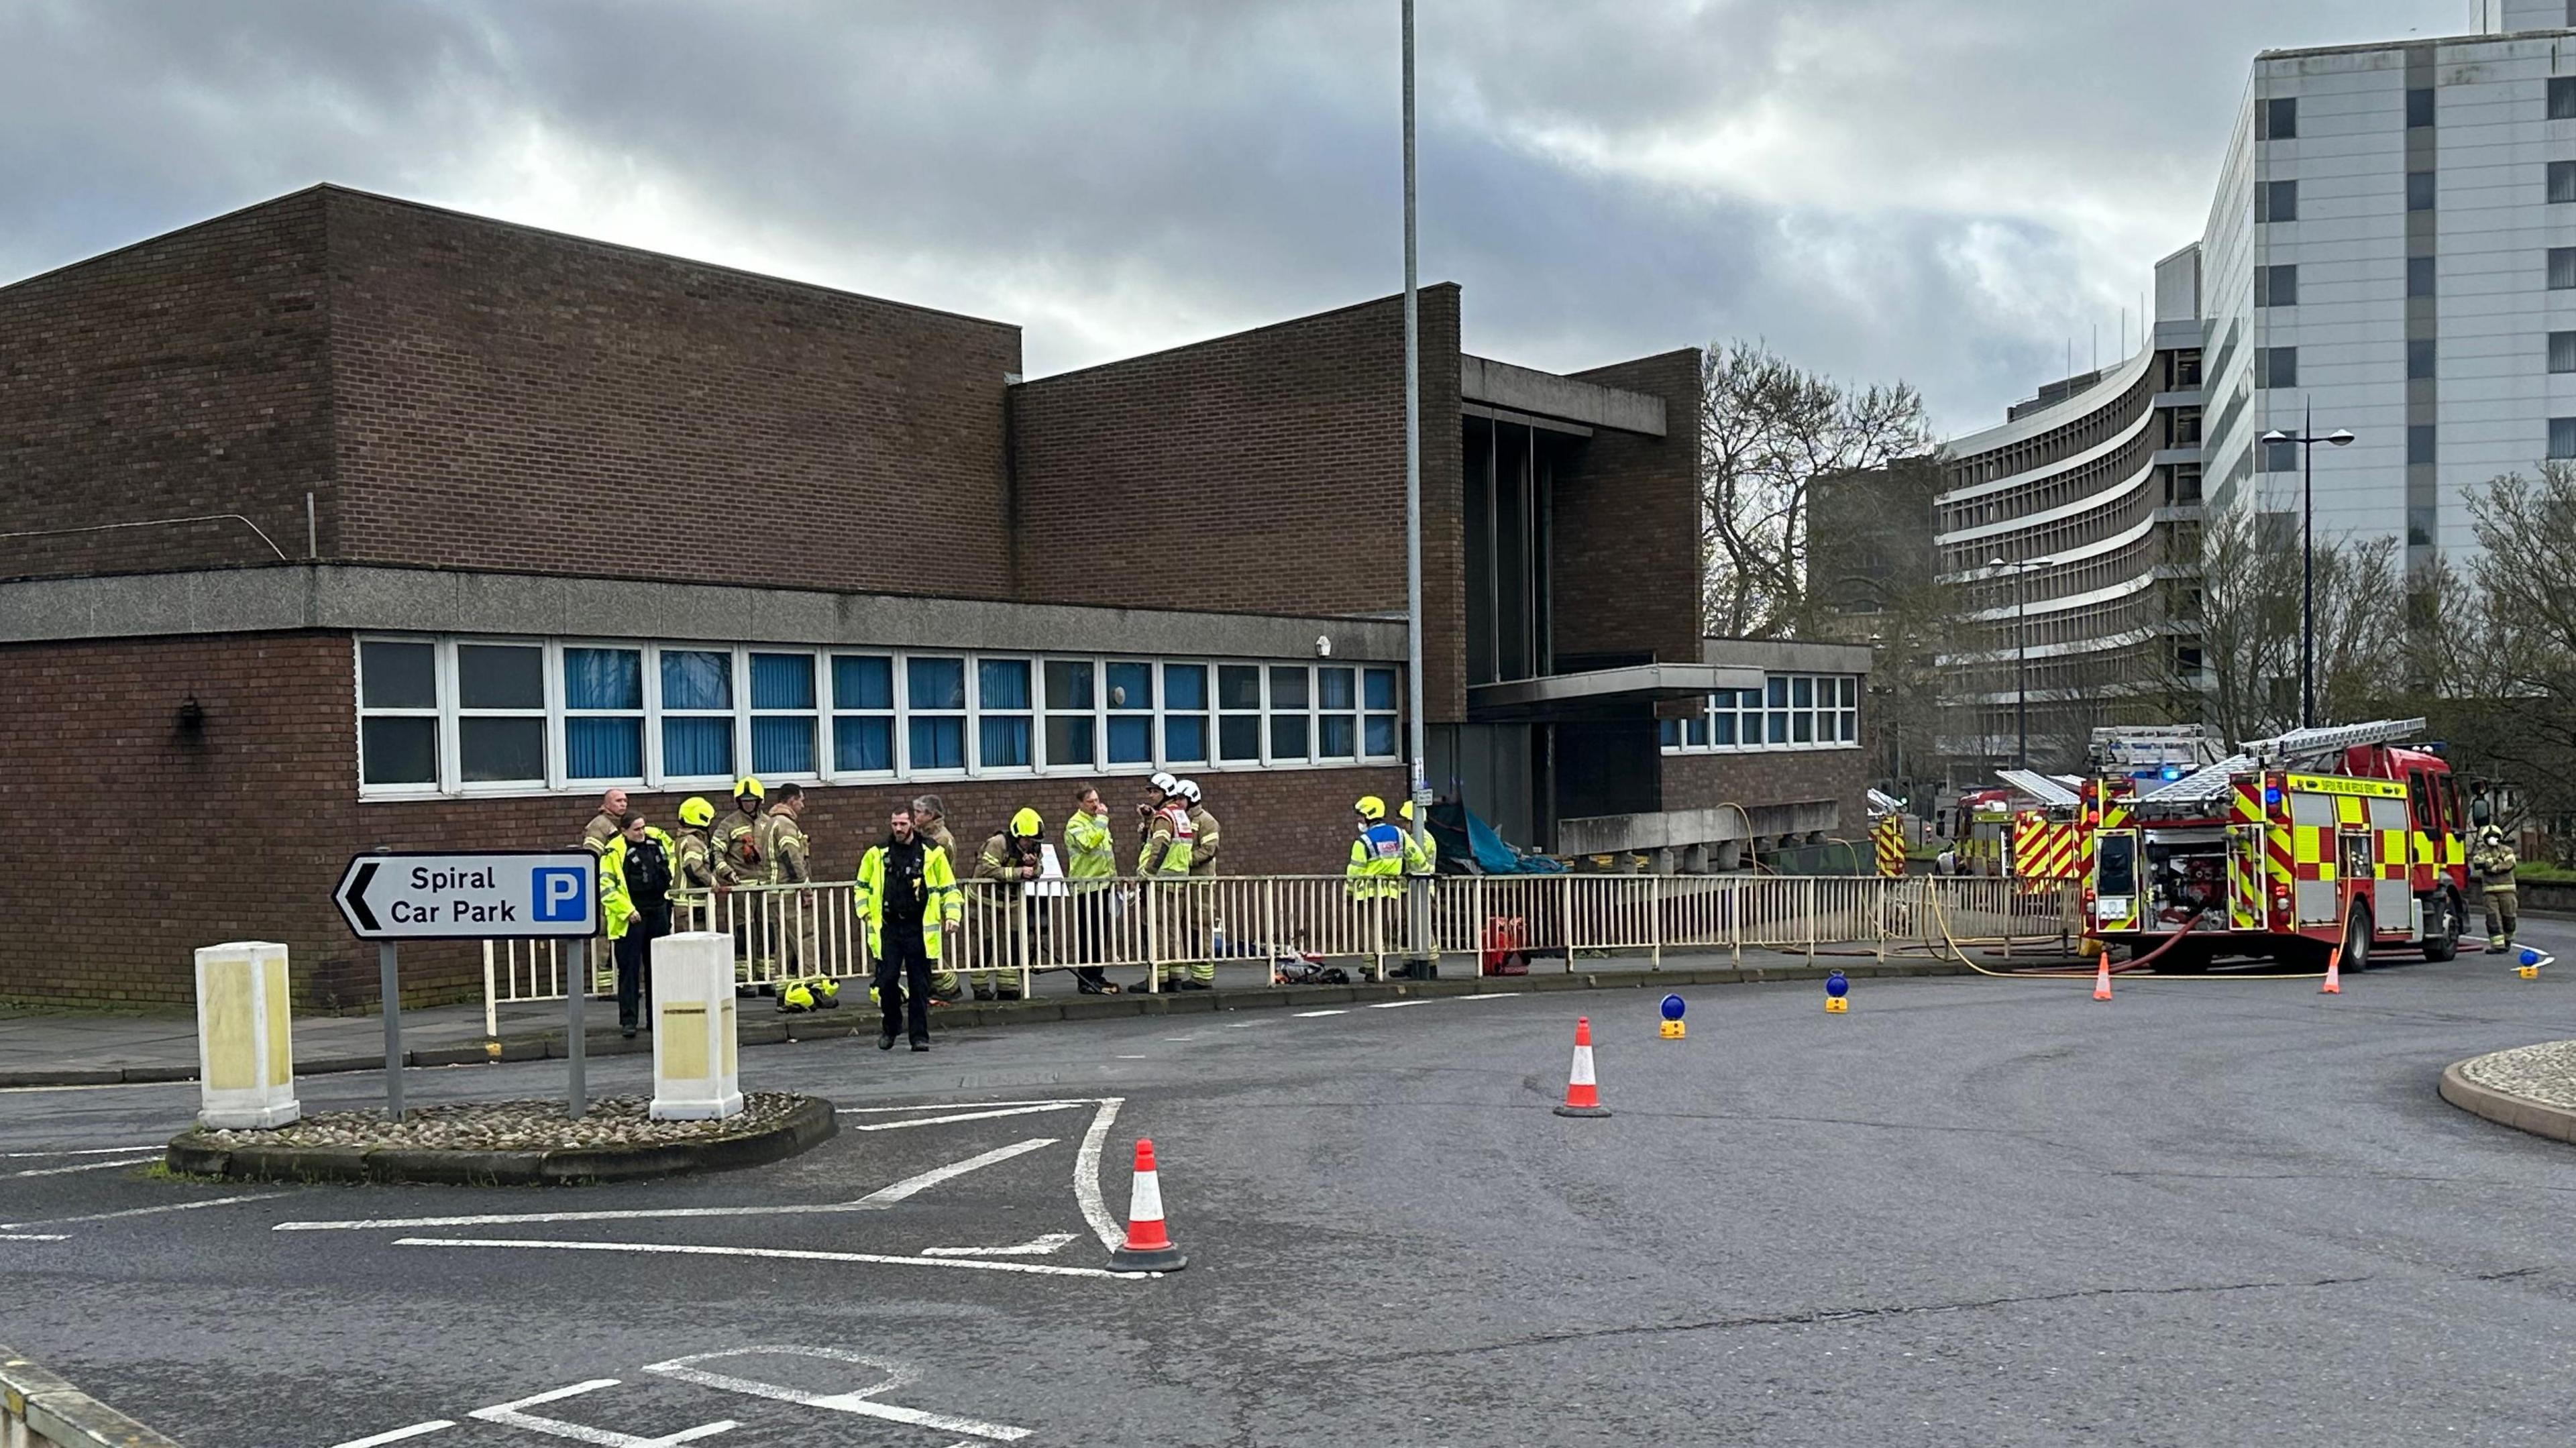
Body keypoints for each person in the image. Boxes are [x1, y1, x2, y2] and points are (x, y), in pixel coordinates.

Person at [858, 803, 962, 1052]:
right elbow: (861, 886)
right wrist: (863, 911)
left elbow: (949, 888)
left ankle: (919, 1036)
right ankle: (891, 1027)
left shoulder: (932, 852)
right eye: (894, 824)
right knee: (887, 981)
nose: (898, 829)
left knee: (919, 985)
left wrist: (953, 916)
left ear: (912, 824)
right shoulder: (877, 853)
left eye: (903, 824)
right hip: (889, 927)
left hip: (919, 927)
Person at [600, 811, 676, 1039]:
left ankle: (657, 1019)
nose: (642, 832)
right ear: (624, 831)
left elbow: (672, 863)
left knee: (658, 971)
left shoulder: (658, 843)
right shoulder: (613, 853)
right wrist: (628, 910)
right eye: (636, 829)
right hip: (631, 918)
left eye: (643, 827)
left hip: (658, 912)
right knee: (629, 972)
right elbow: (607, 888)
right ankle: (629, 1021)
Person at [970, 808, 1046, 1001]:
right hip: (984, 900)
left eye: (1033, 840)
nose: (1030, 844)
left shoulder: (1034, 848)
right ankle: (980, 987)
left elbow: (1039, 870)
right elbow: (988, 869)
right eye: (1027, 840)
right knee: (985, 942)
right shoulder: (998, 844)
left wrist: (1033, 866)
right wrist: (1018, 872)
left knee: (1013, 941)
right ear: (1017, 835)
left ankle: (1008, 986)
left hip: (1011, 902)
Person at [1132, 783, 1197, 990]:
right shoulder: (1180, 815)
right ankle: (1175, 976)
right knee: (1173, 928)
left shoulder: (1164, 817)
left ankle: (1158, 977)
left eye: (1155, 792)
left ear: (1166, 794)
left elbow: (1160, 847)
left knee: (1158, 928)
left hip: (1161, 881)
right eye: (1149, 791)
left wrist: (1147, 874)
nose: (1151, 796)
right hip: (1179, 880)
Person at [755, 783, 819, 993]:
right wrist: (805, 888)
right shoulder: (786, 825)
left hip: (776, 892)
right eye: (801, 800)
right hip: (789, 892)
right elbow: (792, 857)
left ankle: (785, 990)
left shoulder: (771, 823)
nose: (802, 805)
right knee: (805, 937)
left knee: (785, 943)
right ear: (792, 800)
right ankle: (812, 986)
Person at [1063, 785, 1121, 994]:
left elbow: (1107, 854)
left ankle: (1097, 976)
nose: (1096, 805)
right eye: (1090, 802)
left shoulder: (1098, 823)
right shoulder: (1075, 824)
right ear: (1080, 804)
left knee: (1100, 934)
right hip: (1086, 887)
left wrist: (1114, 879)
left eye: (1097, 800)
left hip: (1102, 885)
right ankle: (1086, 979)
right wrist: (1103, 820)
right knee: (1088, 934)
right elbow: (1088, 844)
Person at [910, 795, 967, 1002]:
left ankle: (948, 986)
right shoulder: (926, 835)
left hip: (934, 900)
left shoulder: (941, 840)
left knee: (928, 948)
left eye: (917, 813)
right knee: (924, 947)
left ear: (930, 815)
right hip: (925, 900)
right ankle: (938, 986)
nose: (914, 816)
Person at [1346, 795, 1407, 976]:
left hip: (1366, 893)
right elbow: (1416, 857)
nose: (1359, 820)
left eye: (1360, 816)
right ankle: (1380, 961)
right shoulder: (1399, 834)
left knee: (1368, 929)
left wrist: (1349, 893)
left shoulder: (1363, 841)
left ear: (1369, 815)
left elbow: (1354, 871)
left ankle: (1373, 966)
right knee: (1385, 928)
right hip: (1391, 891)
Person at [1177, 780, 1222, 989]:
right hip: (1187, 881)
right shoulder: (1181, 819)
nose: (1178, 802)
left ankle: (1204, 977)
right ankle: (1195, 972)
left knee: (1200, 925)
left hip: (1201, 882)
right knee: (1187, 926)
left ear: (1192, 798)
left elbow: (1209, 850)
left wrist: (1182, 860)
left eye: (1181, 798)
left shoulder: (1207, 821)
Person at [672, 796, 719, 931]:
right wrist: (712, 882)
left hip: (686, 902)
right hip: (693, 902)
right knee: (699, 945)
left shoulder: (683, 840)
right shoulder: (693, 842)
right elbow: (692, 867)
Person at [2473, 824, 2520, 953]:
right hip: (2489, 891)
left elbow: (2510, 864)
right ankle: (2498, 946)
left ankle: (2508, 940)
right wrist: (2495, 862)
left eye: (2494, 836)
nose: (2492, 839)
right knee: (2492, 918)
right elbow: (2478, 863)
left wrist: (2493, 867)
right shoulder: (2482, 853)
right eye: (2489, 837)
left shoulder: (2507, 851)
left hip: (2507, 890)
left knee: (2509, 917)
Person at [581, 788, 629, 857]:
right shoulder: (599, 825)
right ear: (607, 805)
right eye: (618, 801)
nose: (623, 804)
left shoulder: (626, 821)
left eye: (625, 801)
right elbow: (593, 855)